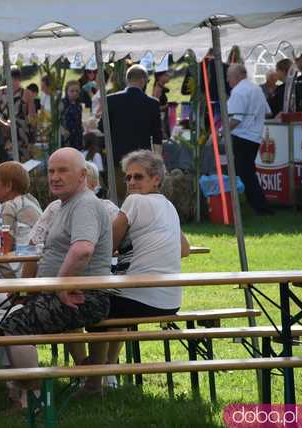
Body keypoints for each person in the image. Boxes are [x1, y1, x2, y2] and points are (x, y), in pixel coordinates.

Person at [0, 148, 112, 407]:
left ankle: (34, 399)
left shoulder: (84, 204)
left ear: (83, 175)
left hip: (85, 296)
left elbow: (83, 250)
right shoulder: (66, 204)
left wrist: (59, 286)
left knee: (15, 326)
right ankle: (22, 389)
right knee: (8, 315)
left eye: (62, 171)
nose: (55, 177)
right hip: (67, 292)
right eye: (51, 171)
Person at [88, 150, 190, 392]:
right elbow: (184, 249)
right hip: (171, 301)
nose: (131, 183)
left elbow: (107, 246)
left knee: (92, 306)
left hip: (143, 297)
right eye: (128, 178)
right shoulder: (169, 206)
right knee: (113, 300)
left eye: (138, 177)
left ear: (156, 179)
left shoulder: (134, 201)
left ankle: (94, 380)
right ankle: (108, 371)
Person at [99, 64, 162, 200]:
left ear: (127, 80)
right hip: (142, 161)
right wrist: (157, 164)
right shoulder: (152, 104)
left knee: (118, 198)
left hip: (116, 159)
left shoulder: (110, 100)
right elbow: (157, 138)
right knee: (140, 198)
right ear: (143, 81)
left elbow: (101, 128)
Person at [226, 64, 273, 215]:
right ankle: (251, 205)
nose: (228, 81)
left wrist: (220, 132)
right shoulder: (256, 89)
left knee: (245, 173)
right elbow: (267, 112)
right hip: (255, 137)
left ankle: (261, 207)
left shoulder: (238, 91)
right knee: (246, 172)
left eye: (229, 77)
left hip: (241, 136)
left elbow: (235, 119)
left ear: (237, 76)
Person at [0, 161, 42, 278]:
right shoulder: (32, 201)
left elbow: (1, 248)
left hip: (20, 271)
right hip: (38, 267)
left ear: (8, 186)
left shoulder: (9, 206)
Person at [0, 67, 35, 160]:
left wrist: (33, 134)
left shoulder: (26, 93)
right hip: (4, 129)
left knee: (21, 158)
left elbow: (32, 116)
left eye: (16, 79)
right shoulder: (0, 91)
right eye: (13, 79)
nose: (14, 82)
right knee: (5, 158)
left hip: (20, 131)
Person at [60, 80, 83, 150]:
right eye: (72, 91)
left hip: (77, 136)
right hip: (66, 136)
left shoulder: (79, 104)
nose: (75, 93)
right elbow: (56, 120)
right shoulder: (62, 103)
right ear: (67, 91)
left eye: (77, 91)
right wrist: (62, 130)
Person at [153, 71, 171, 139]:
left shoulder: (161, 87)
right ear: (159, 77)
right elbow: (155, 107)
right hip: (161, 120)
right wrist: (167, 106)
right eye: (166, 75)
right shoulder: (157, 90)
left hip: (164, 118)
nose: (168, 76)